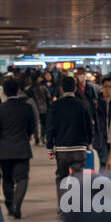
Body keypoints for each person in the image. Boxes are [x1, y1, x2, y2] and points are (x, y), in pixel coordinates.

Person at [0, 77, 39, 219]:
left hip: (4, 149)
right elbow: (32, 128)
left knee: (7, 178)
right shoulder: (26, 108)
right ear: (18, 90)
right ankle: (17, 205)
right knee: (22, 178)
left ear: (5, 92)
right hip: (22, 148)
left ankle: (9, 205)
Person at [46, 75, 94, 207]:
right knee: (78, 177)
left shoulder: (55, 105)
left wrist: (50, 147)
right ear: (75, 88)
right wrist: (88, 143)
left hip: (62, 149)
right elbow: (90, 127)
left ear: (61, 89)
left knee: (62, 177)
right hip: (80, 148)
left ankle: (63, 206)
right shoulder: (83, 105)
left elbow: (50, 128)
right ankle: (76, 206)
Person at [28, 73, 52, 146]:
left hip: (33, 108)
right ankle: (42, 137)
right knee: (43, 124)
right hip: (43, 108)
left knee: (35, 122)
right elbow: (48, 97)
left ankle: (36, 138)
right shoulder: (43, 87)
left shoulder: (30, 89)